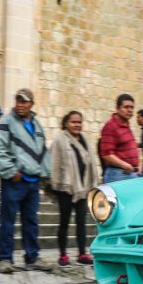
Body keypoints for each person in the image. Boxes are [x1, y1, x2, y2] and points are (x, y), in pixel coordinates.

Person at [0, 88, 52, 273]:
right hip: (15, 181)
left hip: (32, 182)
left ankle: (32, 257)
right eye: (18, 101)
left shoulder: (37, 125)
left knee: (31, 221)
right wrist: (10, 171)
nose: (20, 105)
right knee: (8, 220)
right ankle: (5, 259)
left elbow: (43, 151)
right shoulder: (6, 123)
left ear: (31, 104)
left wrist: (45, 175)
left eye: (24, 101)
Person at [51, 111, 98, 266]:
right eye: (73, 122)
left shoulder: (86, 141)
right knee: (64, 222)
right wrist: (56, 184)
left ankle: (82, 254)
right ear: (66, 123)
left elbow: (90, 164)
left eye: (79, 122)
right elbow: (54, 162)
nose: (77, 125)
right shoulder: (59, 140)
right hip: (66, 188)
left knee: (81, 222)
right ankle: (63, 254)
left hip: (82, 188)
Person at [99, 94, 139, 183]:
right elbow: (107, 155)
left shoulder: (126, 125)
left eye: (132, 107)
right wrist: (125, 165)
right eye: (126, 107)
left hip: (128, 173)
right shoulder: (111, 126)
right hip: (117, 174)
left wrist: (136, 167)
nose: (130, 110)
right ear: (117, 108)